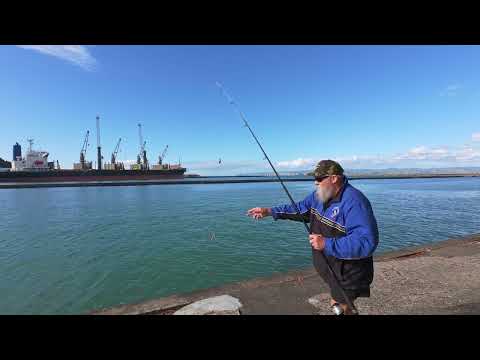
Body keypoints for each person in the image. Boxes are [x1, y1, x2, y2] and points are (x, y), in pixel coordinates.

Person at [247, 160, 379, 315]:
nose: (315, 183)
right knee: (339, 303)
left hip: (348, 272)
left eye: (319, 179)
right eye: (314, 179)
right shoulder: (319, 196)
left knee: (339, 307)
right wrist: (270, 211)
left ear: (334, 178)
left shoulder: (355, 202)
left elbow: (367, 241)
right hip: (332, 268)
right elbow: (299, 209)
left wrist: (327, 244)